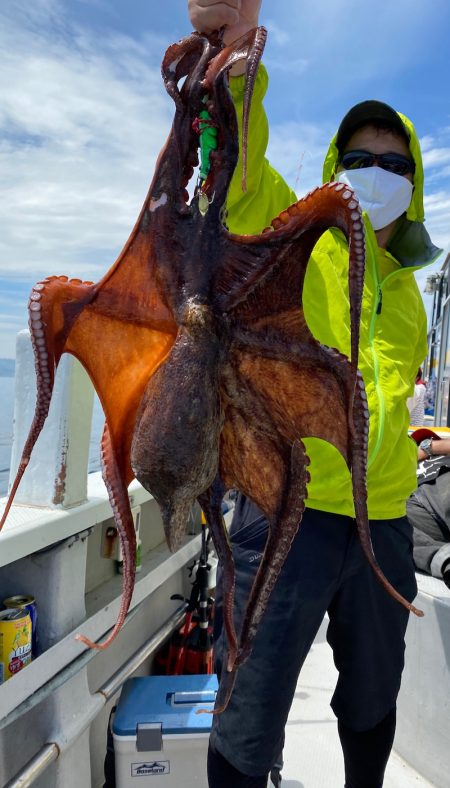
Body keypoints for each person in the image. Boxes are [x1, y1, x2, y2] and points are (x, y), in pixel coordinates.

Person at [187, 2, 443, 786]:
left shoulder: (411, 295)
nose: (377, 172)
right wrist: (237, 71)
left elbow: (399, 394)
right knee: (247, 711)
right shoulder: (295, 235)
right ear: (337, 165)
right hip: (284, 511)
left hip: (384, 519)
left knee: (373, 698)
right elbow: (241, 180)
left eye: (394, 163)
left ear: (415, 184)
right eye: (360, 157)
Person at [408, 428, 450, 588]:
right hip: (410, 504)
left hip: (442, 477)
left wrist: (429, 447)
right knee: (387, 528)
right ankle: (445, 559)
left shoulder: (439, 453)